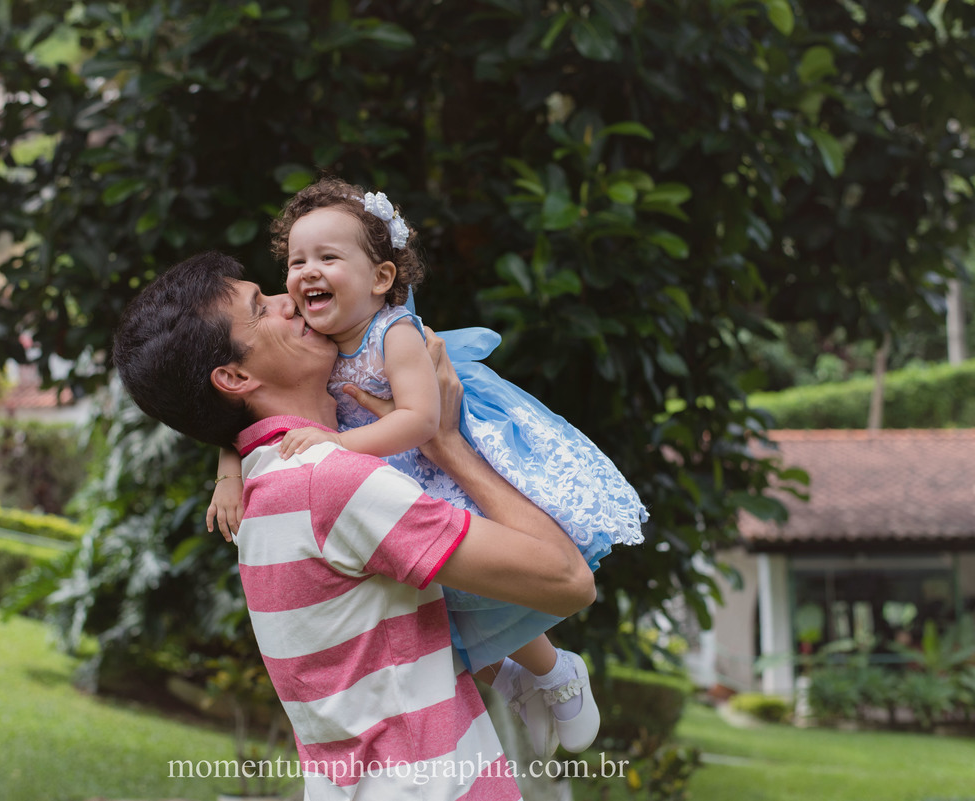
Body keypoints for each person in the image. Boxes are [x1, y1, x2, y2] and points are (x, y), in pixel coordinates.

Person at [112, 251, 596, 799]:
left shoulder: (265, 488)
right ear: (234, 376)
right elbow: (569, 580)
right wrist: (448, 445)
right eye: (260, 306)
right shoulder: (331, 483)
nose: (286, 297)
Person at [207, 177, 647, 756]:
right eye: (296, 261)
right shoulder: (310, 336)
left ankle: (558, 670)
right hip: (388, 472)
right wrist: (227, 473)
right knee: (441, 605)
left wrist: (334, 446)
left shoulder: (395, 334)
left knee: (483, 586)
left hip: (422, 460)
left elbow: (419, 420)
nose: (305, 274)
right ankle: (519, 680)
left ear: (382, 278)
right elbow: (239, 419)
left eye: (328, 258)